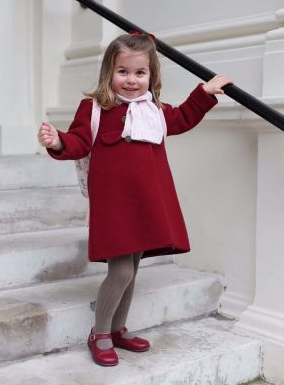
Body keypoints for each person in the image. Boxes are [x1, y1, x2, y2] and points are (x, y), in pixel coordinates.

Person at [37, 32, 232, 367]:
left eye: (139, 73)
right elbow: (80, 141)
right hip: (114, 205)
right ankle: (99, 333)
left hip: (146, 202)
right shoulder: (96, 108)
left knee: (134, 267)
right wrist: (57, 141)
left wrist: (205, 93)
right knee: (122, 270)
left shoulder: (154, 110)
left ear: (151, 76)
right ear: (108, 73)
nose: (131, 80)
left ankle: (116, 329)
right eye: (122, 72)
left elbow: (184, 117)